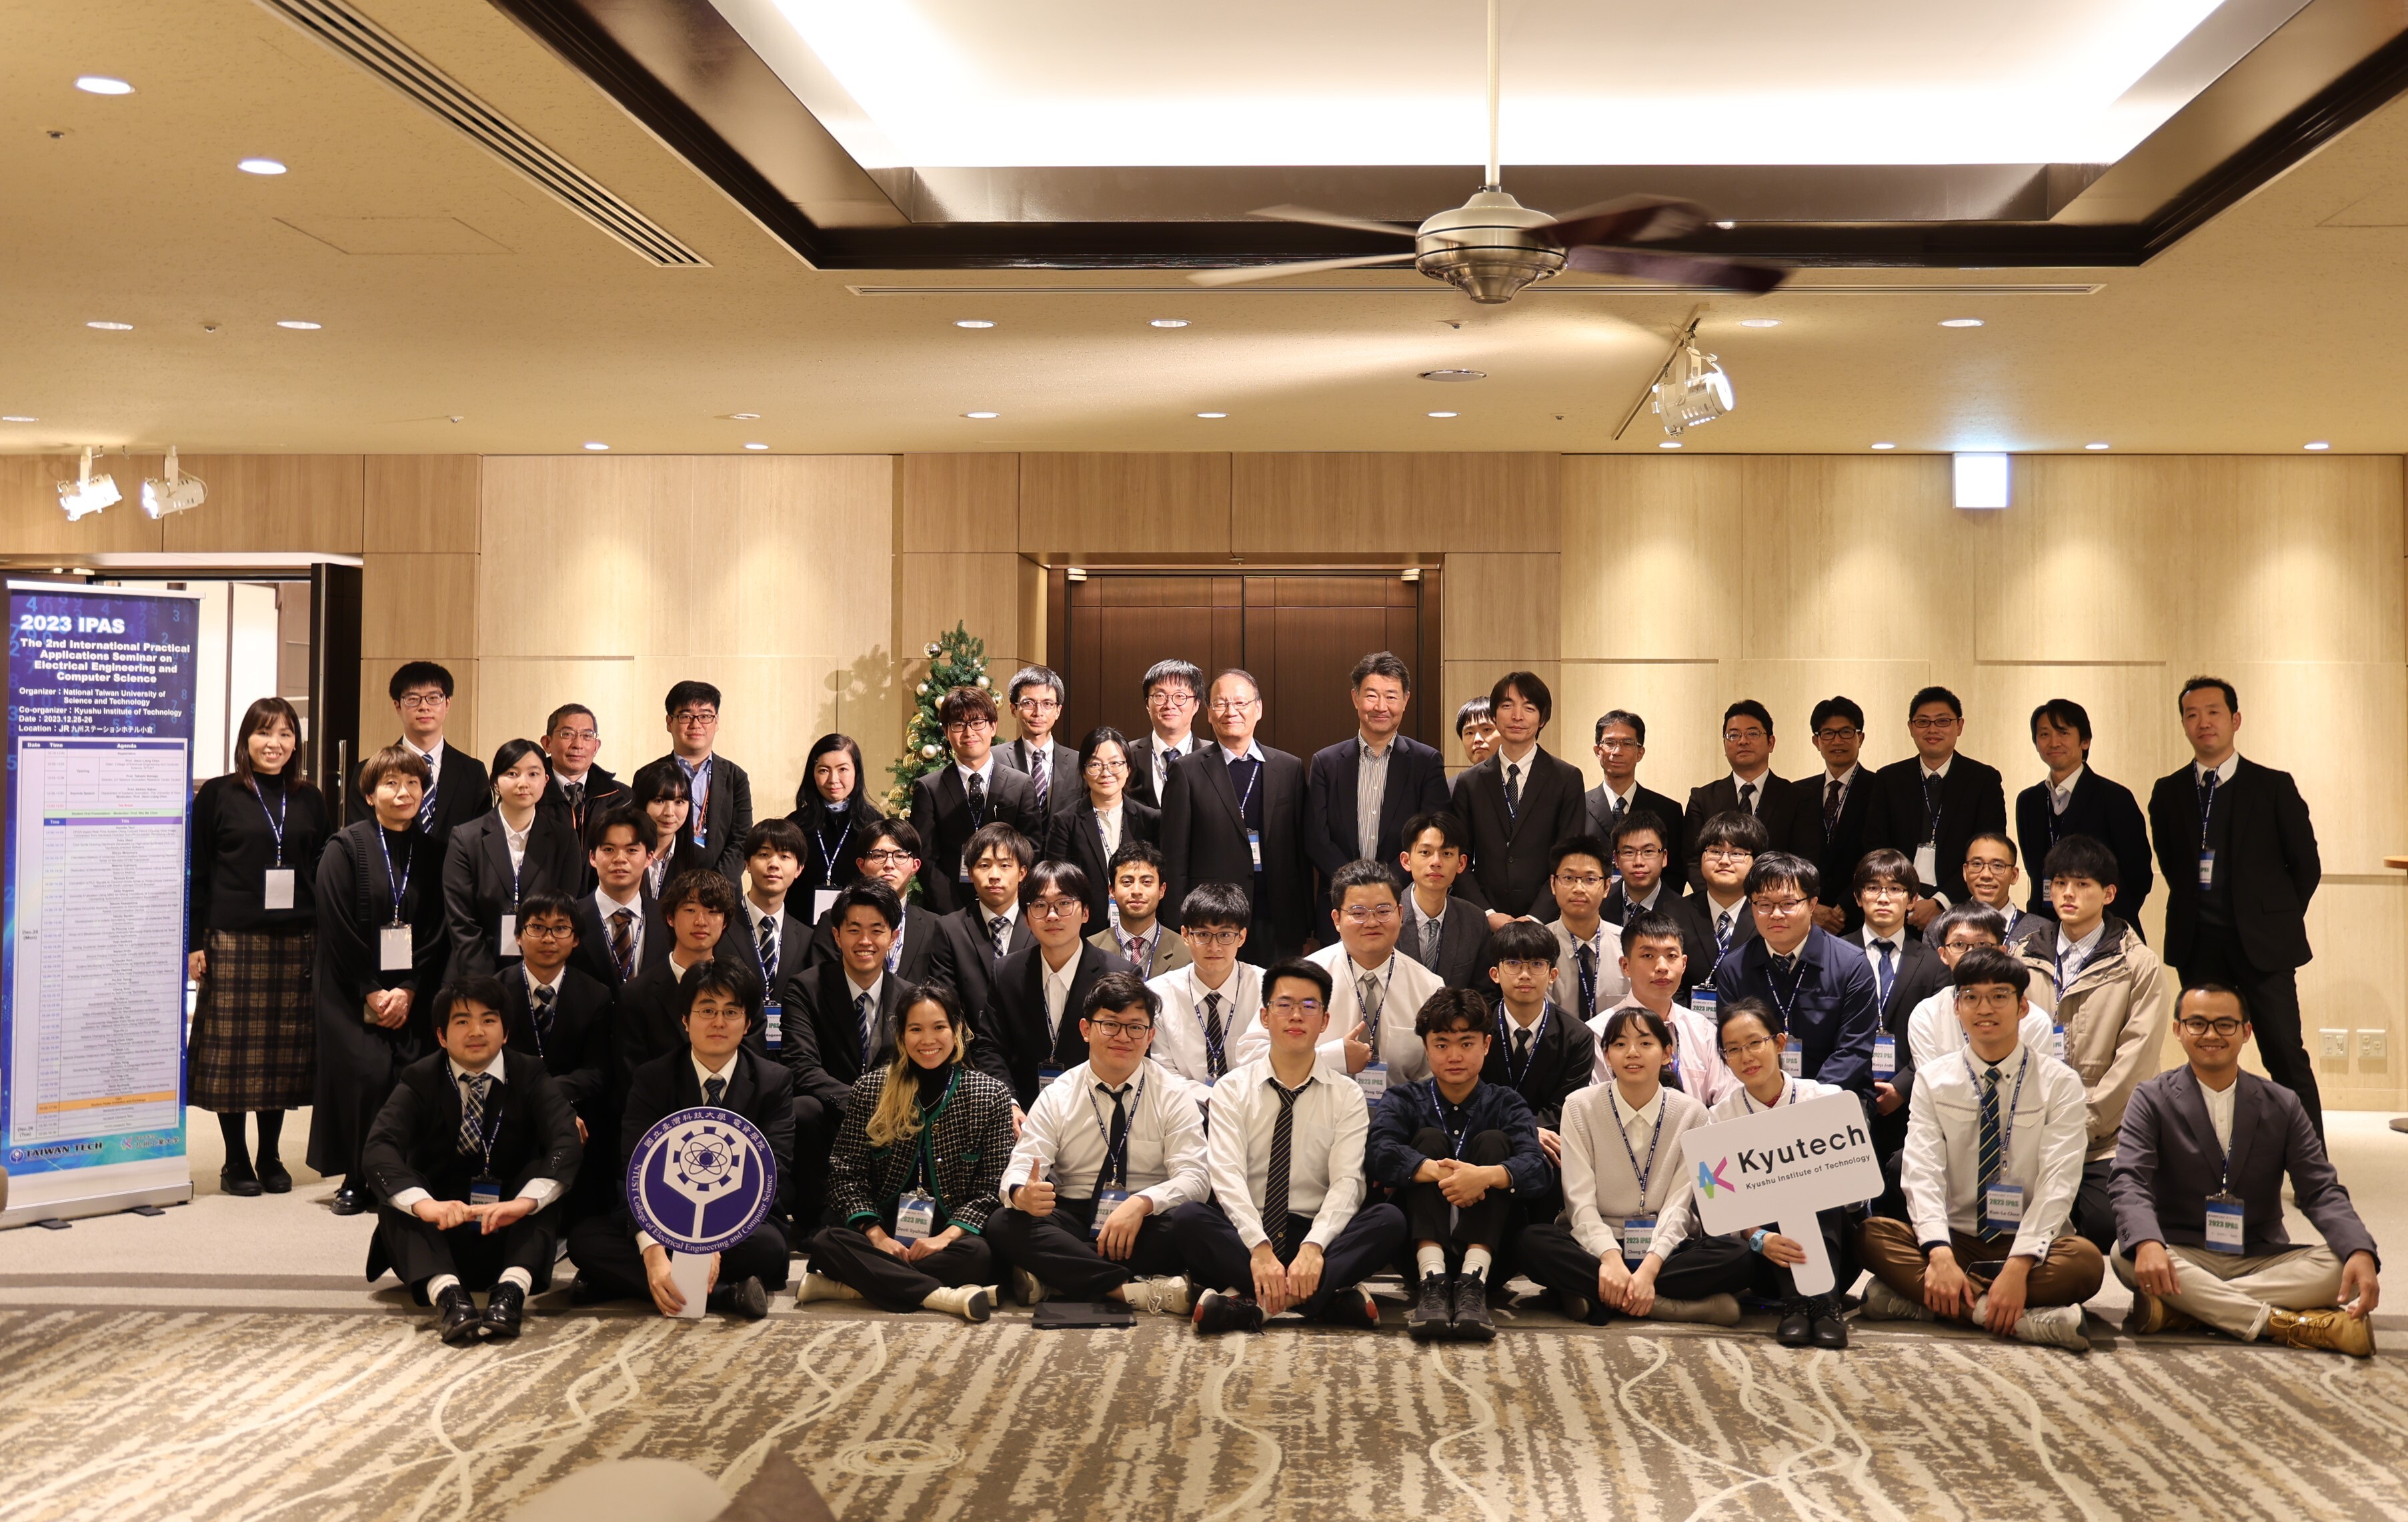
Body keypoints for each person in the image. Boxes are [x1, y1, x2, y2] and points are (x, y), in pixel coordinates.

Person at [2111, 985, 2381, 1357]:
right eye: (2197, 1023)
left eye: (2225, 1024)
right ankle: (2288, 1324)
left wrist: (2359, 1249)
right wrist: (2148, 1244)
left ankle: (2185, 1308)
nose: (2211, 1035)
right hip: (2182, 1249)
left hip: (2258, 1254)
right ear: (2178, 1030)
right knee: (2124, 1253)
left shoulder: (2282, 1103)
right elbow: (2129, 1179)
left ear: (2246, 1031)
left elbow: (2320, 1189)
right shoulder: (2150, 1098)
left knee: (2343, 1266)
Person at [1859, 949, 2103, 1351]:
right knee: (1871, 1235)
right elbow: (1921, 1170)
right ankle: (2010, 1317)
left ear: (2023, 1007)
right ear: (1957, 1007)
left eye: (1999, 996)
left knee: (2086, 1263)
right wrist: (1938, 1254)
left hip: (2026, 1240)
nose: (1983, 1008)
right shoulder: (1935, 1079)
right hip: (1957, 1238)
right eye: (1970, 997)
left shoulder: (2060, 1083)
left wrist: (2019, 1265)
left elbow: (2059, 1181)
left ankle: (1932, 1304)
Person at [1168, 959, 1409, 1333]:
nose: (1296, 1015)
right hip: (1250, 1233)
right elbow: (1226, 1176)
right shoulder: (1232, 1089)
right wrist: (1260, 1249)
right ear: (1265, 1017)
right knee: (1187, 1220)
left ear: (1325, 1021)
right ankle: (1326, 1300)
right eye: (1284, 1005)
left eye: (1309, 1006)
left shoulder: (1346, 1094)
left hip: (1316, 1232)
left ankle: (1253, 1307)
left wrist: (1313, 1248)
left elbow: (1347, 1182)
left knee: (1389, 1221)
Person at [566, 960, 792, 1320]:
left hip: (740, 1221)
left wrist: (712, 1239)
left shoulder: (773, 1081)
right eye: (706, 1010)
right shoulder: (652, 1079)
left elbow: (771, 1171)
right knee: (584, 1241)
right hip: (663, 1215)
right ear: (685, 1020)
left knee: (770, 1248)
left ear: (748, 1023)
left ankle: (618, 1280)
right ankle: (726, 1295)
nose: (718, 1022)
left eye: (731, 1012)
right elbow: (634, 1170)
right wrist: (655, 1250)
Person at [2147, 676, 2323, 1134]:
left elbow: (2305, 866)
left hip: (2262, 948)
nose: (2202, 722)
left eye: (2212, 712)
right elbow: (2172, 864)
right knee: (2207, 1056)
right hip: (2198, 945)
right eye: (2191, 714)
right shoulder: (2167, 793)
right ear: (2183, 725)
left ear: (2234, 720)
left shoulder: (2272, 786)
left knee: (2284, 1053)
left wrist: (2270, 917)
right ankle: (2208, 1161)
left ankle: (2311, 1171)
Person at [363, 977, 581, 1343]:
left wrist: (523, 1204)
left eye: (489, 1020)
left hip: (507, 1229)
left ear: (506, 1032)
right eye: (462, 1021)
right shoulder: (420, 1078)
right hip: (441, 1232)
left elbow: (565, 1140)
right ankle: (449, 1298)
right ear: (442, 1036)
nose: (476, 1031)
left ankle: (510, 1294)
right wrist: (427, 1206)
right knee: (401, 1191)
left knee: (540, 1183)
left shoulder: (529, 1073)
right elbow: (379, 1147)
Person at [988, 973, 1208, 1314]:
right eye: (1110, 1025)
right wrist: (1022, 1193)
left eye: (1136, 1027)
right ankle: (1130, 1290)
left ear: (1151, 1036)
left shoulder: (1174, 1094)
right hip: (1075, 1217)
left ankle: (1062, 1276)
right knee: (1004, 1222)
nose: (1123, 1037)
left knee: (1193, 1223)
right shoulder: (1058, 1094)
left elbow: (1195, 1177)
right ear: (1086, 1030)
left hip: (1143, 1221)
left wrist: (1140, 1205)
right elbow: (1022, 1166)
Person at [1520, 1005, 1752, 1327]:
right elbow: (1579, 1202)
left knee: (1738, 1254)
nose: (1632, 1053)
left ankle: (1594, 1295)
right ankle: (1663, 1304)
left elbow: (1679, 1206)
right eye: (1619, 1044)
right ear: (1607, 1055)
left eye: (1645, 1043)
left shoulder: (1693, 1113)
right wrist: (1610, 1258)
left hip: (1666, 1247)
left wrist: (1650, 1267)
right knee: (1532, 1242)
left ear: (1667, 1053)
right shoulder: (1580, 1106)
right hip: (1595, 1244)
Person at [797, 985, 1015, 1321]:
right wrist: (877, 1235)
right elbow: (844, 1174)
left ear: (958, 1029)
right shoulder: (871, 1089)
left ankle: (850, 1286)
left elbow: (991, 1188)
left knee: (979, 1255)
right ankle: (943, 1297)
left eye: (939, 1027)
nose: (928, 1040)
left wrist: (946, 1237)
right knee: (828, 1242)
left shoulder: (989, 1094)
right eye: (916, 1029)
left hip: (949, 1236)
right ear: (901, 1034)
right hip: (882, 1229)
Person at [187, 696, 329, 1198]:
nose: (275, 744)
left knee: (280, 1054)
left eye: (286, 734)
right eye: (265, 733)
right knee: (234, 1056)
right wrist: (194, 942)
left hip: (296, 939)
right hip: (233, 937)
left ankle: (270, 1154)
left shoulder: (309, 797)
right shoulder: (218, 795)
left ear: (297, 742)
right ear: (246, 740)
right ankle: (235, 1159)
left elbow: (321, 869)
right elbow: (198, 872)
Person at [2010, 833, 2172, 1253]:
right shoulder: (2022, 957)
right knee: (2006, 1215)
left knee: (2103, 1226)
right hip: (2031, 1124)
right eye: (2061, 882)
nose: (2068, 893)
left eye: (2083, 885)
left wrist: (2080, 1122)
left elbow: (2137, 1060)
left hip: (2103, 1134)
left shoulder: (2138, 964)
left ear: (2109, 893)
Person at [1366, 989, 1550, 1341]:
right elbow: (1378, 1153)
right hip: (1415, 1255)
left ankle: (1472, 1282)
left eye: (1466, 1044)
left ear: (1486, 1045)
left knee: (1495, 1143)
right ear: (1426, 1047)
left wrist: (1484, 1177)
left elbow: (1535, 1168)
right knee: (1430, 1141)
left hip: (1494, 1257)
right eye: (1442, 1044)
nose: (1454, 1056)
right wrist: (1441, 1172)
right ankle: (1432, 1281)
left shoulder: (1506, 1102)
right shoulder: (1404, 1098)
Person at [311, 745, 447, 1217]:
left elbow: (437, 927)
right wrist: (371, 989)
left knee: (411, 1073)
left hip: (412, 986)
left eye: (412, 783)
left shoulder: (434, 850)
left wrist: (408, 989)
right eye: (391, 783)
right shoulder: (344, 846)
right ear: (370, 794)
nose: (402, 792)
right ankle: (356, 1175)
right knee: (365, 1074)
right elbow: (336, 924)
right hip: (351, 986)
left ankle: (399, 1175)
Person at [1708, 999, 1857, 1348]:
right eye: (1734, 1049)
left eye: (1755, 1043)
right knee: (1773, 1196)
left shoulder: (1824, 1098)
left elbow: (1854, 1193)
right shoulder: (1720, 1118)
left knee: (1811, 1188)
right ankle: (1796, 1303)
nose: (1746, 1057)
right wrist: (1760, 1237)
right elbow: (1720, 1204)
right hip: (1764, 1260)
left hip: (1834, 1253)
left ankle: (1822, 1303)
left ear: (1778, 1043)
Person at [784, 881, 921, 1216]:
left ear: (893, 936)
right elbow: (802, 1066)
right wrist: (859, 1102)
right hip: (832, 1112)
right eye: (854, 930)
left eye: (877, 930)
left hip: (892, 1117)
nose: (865, 941)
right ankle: (814, 1215)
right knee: (803, 1109)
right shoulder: (806, 988)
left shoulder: (910, 998)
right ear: (836, 936)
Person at [1160, 669, 1310, 963]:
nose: (1231, 712)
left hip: (1278, 921)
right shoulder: (1187, 772)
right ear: (1209, 713)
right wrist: (1180, 929)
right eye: (1220, 704)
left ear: (1259, 709)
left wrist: (1305, 926)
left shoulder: (1289, 768)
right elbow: (1174, 858)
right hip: (1212, 924)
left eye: (1240, 703)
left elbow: (1300, 857)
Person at [1710, 851, 1881, 1097]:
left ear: (1812, 905)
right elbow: (1734, 1046)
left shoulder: (1851, 964)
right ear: (1751, 906)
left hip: (1835, 1096)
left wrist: (1805, 1100)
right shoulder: (1734, 968)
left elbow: (1853, 1050)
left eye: (1788, 904)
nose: (1776, 914)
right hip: (1761, 1098)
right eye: (1765, 904)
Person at [982, 861, 1137, 1109]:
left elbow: (1130, 1053)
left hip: (1099, 1110)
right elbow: (990, 1047)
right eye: (1040, 906)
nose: (1052, 915)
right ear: (1028, 919)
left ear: (1085, 912)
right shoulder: (1006, 973)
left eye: (1064, 903)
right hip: (1025, 1111)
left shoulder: (1120, 975)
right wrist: (1009, 1103)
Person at [497, 892, 614, 1215]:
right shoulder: (495, 992)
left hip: (576, 1108)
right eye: (537, 927)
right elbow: (492, 1062)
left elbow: (597, 1071)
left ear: (575, 939)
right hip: (510, 1106)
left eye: (560, 928)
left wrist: (551, 1100)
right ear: (518, 936)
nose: (549, 938)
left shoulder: (596, 995)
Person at [1851, 849, 1951, 1212]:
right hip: (1845, 1097)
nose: (1882, 897)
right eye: (1873, 888)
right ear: (1858, 896)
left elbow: (1943, 1037)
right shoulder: (1835, 953)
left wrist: (1902, 1087)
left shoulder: (1934, 963)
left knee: (1897, 1199)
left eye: (1895, 889)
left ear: (1911, 900)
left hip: (1909, 1102)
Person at [1303, 651, 1451, 891]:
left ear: (1405, 700)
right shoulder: (1326, 763)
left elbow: (1433, 835)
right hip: (1340, 901)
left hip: (1404, 898)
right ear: (1355, 698)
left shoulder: (1426, 762)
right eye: (1371, 696)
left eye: (1391, 697)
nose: (1381, 707)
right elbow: (1317, 840)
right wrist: (1353, 887)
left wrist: (1386, 887)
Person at [1863, 686, 2008, 929]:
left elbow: (1989, 849)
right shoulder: (1889, 779)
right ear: (1911, 728)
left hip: (1962, 911)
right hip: (1898, 909)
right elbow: (1875, 847)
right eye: (1923, 722)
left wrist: (1941, 902)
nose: (1932, 729)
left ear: (1959, 726)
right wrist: (1909, 898)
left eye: (1943, 721)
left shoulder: (1983, 780)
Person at [1450, 671, 1586, 926]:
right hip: (1483, 922)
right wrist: (1487, 915)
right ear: (1494, 714)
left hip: (1548, 922)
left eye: (1529, 708)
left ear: (1543, 718)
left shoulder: (1566, 778)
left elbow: (1569, 859)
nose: (1517, 716)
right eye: (1507, 706)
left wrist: (1536, 917)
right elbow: (1459, 858)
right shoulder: (1470, 783)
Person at [442, 739, 584, 981]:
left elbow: (565, 913)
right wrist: (489, 984)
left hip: (543, 974)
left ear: (546, 781)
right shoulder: (466, 838)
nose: (523, 783)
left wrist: (534, 978)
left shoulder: (564, 839)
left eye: (533, 774)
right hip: (474, 976)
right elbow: (462, 922)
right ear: (496, 781)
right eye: (512, 773)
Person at [2017, 699, 2153, 935]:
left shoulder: (2114, 797)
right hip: (2045, 929)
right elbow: (2034, 870)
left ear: (2085, 741)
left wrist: (2104, 915)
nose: (2053, 742)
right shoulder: (2028, 801)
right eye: (2044, 734)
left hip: (2106, 930)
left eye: (2063, 732)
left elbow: (2138, 875)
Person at [1309, 859, 1446, 1086]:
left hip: (1403, 1116)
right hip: (1319, 1114)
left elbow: (1435, 1072)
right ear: (1337, 920)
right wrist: (1332, 1057)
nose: (1372, 922)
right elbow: (1260, 1055)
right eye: (1358, 913)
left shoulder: (1430, 988)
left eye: (1383, 911)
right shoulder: (1302, 980)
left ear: (1400, 913)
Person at [912, 685, 1040, 917]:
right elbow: (926, 859)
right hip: (947, 911)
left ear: (993, 727)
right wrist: (953, 913)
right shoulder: (929, 788)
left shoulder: (1020, 785)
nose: (969, 733)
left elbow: (1031, 849)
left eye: (977, 723)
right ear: (946, 732)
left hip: (1009, 906)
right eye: (958, 725)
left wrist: (1008, 901)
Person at [613, 868, 742, 1091]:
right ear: (671, 918)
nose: (701, 921)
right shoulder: (636, 996)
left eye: (713, 912)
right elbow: (631, 1077)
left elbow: (752, 1065)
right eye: (690, 910)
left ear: (725, 923)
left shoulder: (742, 988)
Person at [1592, 911, 1736, 1107]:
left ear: (1684, 964)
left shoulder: (1703, 1030)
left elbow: (1727, 1103)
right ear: (1625, 965)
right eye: (1648, 955)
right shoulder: (1599, 1033)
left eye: (1671, 956)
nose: (1661, 966)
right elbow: (1598, 1108)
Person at [1482, 919, 1596, 1163]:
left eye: (1536, 964)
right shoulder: (1475, 1030)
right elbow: (1469, 1098)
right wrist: (1524, 1131)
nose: (1525, 975)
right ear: (1495, 974)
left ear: (1553, 974)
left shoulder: (1577, 1037)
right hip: (1484, 1142)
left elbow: (1565, 1108)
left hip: (1549, 1150)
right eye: (1513, 963)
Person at [1905, 901, 2057, 1071]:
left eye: (1982, 944)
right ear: (1943, 954)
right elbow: (1933, 1088)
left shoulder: (2034, 1021)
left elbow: (2035, 1087)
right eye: (1959, 945)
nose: (1971, 954)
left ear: (2001, 951)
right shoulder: (1926, 1015)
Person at [1680, 700, 1820, 883]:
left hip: (1775, 904)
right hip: (1715, 906)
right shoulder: (1702, 798)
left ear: (1771, 742)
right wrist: (1717, 900)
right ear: (1724, 744)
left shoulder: (1798, 799)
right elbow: (1692, 860)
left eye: (1752, 734)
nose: (1743, 741)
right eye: (1733, 735)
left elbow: (1804, 861)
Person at [1146, 883, 1270, 1085]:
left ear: (1242, 937)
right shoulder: (1159, 994)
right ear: (1186, 935)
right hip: (1186, 1107)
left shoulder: (1266, 988)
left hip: (1253, 1103)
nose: (1214, 947)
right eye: (1203, 935)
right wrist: (1210, 1099)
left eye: (1225, 935)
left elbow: (1271, 1062)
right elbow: (1164, 1073)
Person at [805, 817, 946, 987]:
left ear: (915, 866)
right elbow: (822, 985)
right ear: (861, 865)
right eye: (878, 856)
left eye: (900, 856)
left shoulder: (935, 926)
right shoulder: (833, 920)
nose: (889, 864)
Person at [926, 823, 1038, 1033]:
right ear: (969, 872)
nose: (994, 875)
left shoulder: (1042, 924)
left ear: (1022, 872)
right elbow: (946, 1004)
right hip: (972, 1051)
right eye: (984, 865)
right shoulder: (950, 930)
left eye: (1005, 866)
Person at [1046, 727, 1160, 929]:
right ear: (1083, 771)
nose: (1106, 773)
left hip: (1140, 926)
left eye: (1115, 764)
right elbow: (1058, 883)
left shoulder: (1150, 820)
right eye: (1095, 765)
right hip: (1086, 929)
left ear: (1128, 769)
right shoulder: (1065, 822)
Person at [382, 661, 487, 873]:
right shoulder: (373, 771)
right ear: (397, 706)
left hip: (455, 891)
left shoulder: (473, 772)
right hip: (391, 888)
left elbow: (482, 842)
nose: (424, 706)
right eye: (413, 699)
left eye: (434, 698)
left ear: (447, 704)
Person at [649, 680, 754, 883]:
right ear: (669, 722)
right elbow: (643, 835)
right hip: (663, 887)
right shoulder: (649, 775)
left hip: (721, 893)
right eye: (686, 716)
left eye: (705, 716)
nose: (696, 725)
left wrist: (713, 888)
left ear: (717, 722)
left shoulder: (736, 778)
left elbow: (741, 841)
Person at [1584, 709, 1688, 897]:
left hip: (1652, 916)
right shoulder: (1578, 806)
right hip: (1593, 913)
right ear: (1598, 751)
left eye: (1627, 743)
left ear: (1640, 753)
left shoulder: (1668, 810)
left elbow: (1676, 874)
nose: (1617, 751)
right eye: (1610, 743)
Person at [567, 805, 667, 992]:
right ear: (592, 858)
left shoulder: (667, 919)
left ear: (649, 858)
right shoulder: (570, 918)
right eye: (609, 849)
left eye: (631, 850)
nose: (620, 859)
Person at [785, 733, 882, 915]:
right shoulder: (795, 824)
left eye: (843, 769)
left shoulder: (873, 823)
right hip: (802, 926)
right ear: (812, 774)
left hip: (858, 925)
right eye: (824, 770)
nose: (833, 779)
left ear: (857, 772)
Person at [729, 820, 814, 1029]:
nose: (774, 864)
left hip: (788, 1054)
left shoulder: (808, 938)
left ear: (799, 869)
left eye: (785, 856)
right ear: (747, 863)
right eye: (764, 854)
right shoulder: (721, 927)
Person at [1672, 811, 1764, 1003]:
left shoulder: (1768, 915)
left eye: (1737, 853)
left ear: (1756, 862)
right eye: (1715, 851)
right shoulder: (1673, 914)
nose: (1724, 861)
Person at [1803, 697, 1873, 935]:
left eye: (1845, 732)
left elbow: (1877, 854)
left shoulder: (1880, 788)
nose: (1837, 741)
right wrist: (1809, 908)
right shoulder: (1798, 792)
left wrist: (1843, 907)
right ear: (1816, 741)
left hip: (1860, 917)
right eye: (1828, 734)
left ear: (1860, 738)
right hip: (1806, 919)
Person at [1396, 811, 1488, 989]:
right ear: (1406, 860)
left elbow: (1484, 994)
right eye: (1425, 852)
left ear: (1461, 863)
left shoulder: (1475, 921)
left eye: (1446, 854)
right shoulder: (1383, 915)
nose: (1436, 862)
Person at [535, 703, 627, 875]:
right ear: (547, 743)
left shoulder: (622, 798)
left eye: (587, 736)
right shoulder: (529, 794)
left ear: (596, 746)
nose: (578, 744)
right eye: (567, 734)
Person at [1544, 834, 1620, 1022]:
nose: (1578, 888)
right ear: (1553, 884)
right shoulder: (1536, 946)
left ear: (1606, 887)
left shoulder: (1626, 946)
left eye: (1590, 879)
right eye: (1568, 878)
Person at [1089, 840, 1190, 978]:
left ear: (1162, 890)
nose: (1136, 891)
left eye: (1147, 882)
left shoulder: (1188, 952)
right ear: (1112, 890)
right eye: (1127, 882)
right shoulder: (1089, 950)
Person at [1000, 663, 1081, 827]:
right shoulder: (995, 759)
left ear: (1058, 710)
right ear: (1013, 709)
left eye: (1047, 704)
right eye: (1028, 703)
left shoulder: (1078, 762)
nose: (1038, 712)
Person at [1126, 657, 1206, 810]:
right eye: (1160, 696)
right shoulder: (1126, 755)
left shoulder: (1216, 756)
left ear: (1196, 705)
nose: (1169, 705)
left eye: (1180, 696)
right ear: (1147, 705)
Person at [628, 760, 706, 900]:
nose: (669, 812)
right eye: (659, 801)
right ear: (643, 803)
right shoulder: (623, 853)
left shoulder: (701, 860)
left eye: (679, 802)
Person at [1961, 831, 2033, 942]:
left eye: (1998, 866)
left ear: (2014, 875)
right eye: (1977, 864)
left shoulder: (2039, 931)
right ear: (1965, 872)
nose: (1986, 875)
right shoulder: (1941, 928)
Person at [1454, 697, 1500, 769]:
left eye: (1487, 730)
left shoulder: (1518, 779)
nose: (1477, 739)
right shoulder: (1458, 781)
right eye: (1470, 733)